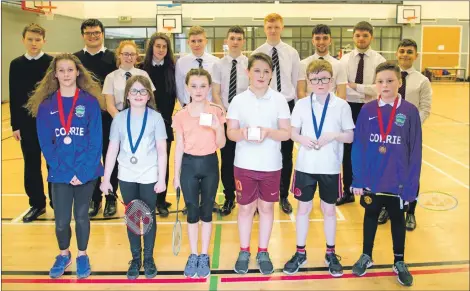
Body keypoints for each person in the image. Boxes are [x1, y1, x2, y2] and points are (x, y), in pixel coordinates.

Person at [25, 53, 105, 279]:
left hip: (85, 172)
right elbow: (46, 143)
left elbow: (95, 140)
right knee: (61, 221)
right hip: (60, 172)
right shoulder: (46, 105)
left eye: (70, 70)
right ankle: (64, 254)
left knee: (81, 216)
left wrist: (82, 171)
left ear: (78, 72)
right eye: (62, 70)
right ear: (55, 74)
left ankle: (82, 255)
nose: (66, 74)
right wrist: (65, 171)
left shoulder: (89, 102)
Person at [350, 61, 422, 287]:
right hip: (372, 179)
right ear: (375, 84)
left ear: (399, 83)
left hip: (398, 181)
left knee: (397, 220)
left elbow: (415, 150)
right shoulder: (367, 110)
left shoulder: (409, 112)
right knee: (370, 216)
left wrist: (411, 186)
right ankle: (366, 255)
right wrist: (358, 179)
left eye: (390, 80)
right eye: (380, 81)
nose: (385, 85)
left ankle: (399, 261)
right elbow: (359, 146)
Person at [283, 60, 354, 277]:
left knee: (329, 210)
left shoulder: (342, 105)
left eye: (324, 78)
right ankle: (300, 252)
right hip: (305, 166)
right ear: (309, 82)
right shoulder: (302, 104)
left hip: (330, 168)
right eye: (314, 79)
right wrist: (302, 139)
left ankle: (331, 252)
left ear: (331, 81)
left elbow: (350, 137)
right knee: (302, 210)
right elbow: (292, 133)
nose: (320, 83)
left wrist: (333, 136)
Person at [227, 53, 291, 275]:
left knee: (266, 207)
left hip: (271, 165)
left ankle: (263, 250)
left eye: (266, 71)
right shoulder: (238, 100)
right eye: (257, 70)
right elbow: (230, 133)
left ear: (272, 75)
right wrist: (243, 133)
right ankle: (244, 250)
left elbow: (286, 133)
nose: (261, 75)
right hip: (244, 164)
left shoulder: (279, 100)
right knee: (245, 208)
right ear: (248, 73)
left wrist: (269, 132)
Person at [100, 75, 167, 279]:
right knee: (132, 217)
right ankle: (135, 258)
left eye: (143, 91)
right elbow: (112, 150)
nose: (139, 95)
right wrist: (105, 179)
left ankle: (148, 258)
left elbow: (162, 151)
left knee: (148, 217)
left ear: (149, 95)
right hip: (126, 175)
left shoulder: (155, 118)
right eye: (134, 91)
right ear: (127, 95)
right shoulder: (119, 118)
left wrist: (162, 178)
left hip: (149, 175)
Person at [172, 68, 226, 278]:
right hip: (189, 166)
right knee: (192, 212)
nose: (198, 90)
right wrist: (176, 175)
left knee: (206, 212)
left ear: (209, 87)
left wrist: (216, 128)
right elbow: (178, 147)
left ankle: (204, 254)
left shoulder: (216, 111)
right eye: (194, 86)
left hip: (210, 165)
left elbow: (221, 143)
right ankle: (193, 254)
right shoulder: (181, 115)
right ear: (187, 88)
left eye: (203, 86)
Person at [377, 39, 432, 231]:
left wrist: (412, 126)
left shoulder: (422, 81)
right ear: (397, 53)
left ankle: (410, 212)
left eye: (410, 52)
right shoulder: (388, 77)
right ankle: (386, 208)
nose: (405, 55)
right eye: (402, 51)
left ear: (416, 55)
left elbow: (425, 108)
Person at [252, 13, 300, 214]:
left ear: (282, 28)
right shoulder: (257, 53)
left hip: (287, 106)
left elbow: (297, 82)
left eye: (276, 27)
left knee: (286, 154)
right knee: (261, 150)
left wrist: (297, 111)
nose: (273, 30)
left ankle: (283, 196)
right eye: (269, 27)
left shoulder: (291, 53)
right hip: (264, 105)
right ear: (265, 28)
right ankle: (257, 196)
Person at [337, 21, 386, 206]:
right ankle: (348, 190)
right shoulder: (344, 60)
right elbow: (342, 87)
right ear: (353, 37)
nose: (361, 39)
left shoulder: (379, 61)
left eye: (365, 35)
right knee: (348, 151)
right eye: (358, 35)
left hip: (372, 109)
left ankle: (371, 190)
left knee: (371, 150)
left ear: (371, 37)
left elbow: (379, 88)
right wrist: (367, 90)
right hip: (349, 107)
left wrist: (357, 87)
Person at [9, 23, 53, 222]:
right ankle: (37, 204)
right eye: (30, 39)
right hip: (27, 123)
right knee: (32, 164)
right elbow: (15, 95)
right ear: (23, 40)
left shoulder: (52, 63)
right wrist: (15, 125)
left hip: (51, 122)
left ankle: (57, 202)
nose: (34, 43)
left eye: (37, 39)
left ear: (44, 40)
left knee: (54, 163)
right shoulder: (16, 64)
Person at [74, 18, 118, 218]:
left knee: (111, 158)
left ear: (102, 34)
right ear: (83, 35)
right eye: (89, 33)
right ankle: (94, 199)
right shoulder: (74, 60)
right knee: (89, 159)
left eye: (96, 32)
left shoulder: (113, 58)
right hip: (83, 119)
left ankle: (110, 197)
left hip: (108, 117)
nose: (93, 36)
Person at [212, 25, 249, 216]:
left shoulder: (249, 64)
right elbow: (216, 92)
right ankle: (229, 197)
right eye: (232, 38)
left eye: (239, 38)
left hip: (245, 119)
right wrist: (225, 113)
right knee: (227, 160)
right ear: (227, 41)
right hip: (226, 117)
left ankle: (250, 197)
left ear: (243, 41)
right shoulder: (218, 65)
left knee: (246, 158)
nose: (235, 41)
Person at [140, 32, 177, 217]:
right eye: (157, 46)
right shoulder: (142, 69)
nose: (161, 49)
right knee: (147, 163)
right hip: (144, 124)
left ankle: (161, 200)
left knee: (163, 162)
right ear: (151, 48)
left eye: (164, 46)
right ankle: (148, 200)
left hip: (164, 124)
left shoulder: (173, 69)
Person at [297, 24, 347, 99]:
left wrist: (334, 108)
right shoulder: (303, 64)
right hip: (309, 107)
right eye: (317, 38)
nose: (321, 42)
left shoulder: (339, 65)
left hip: (331, 107)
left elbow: (342, 94)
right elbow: (301, 92)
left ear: (330, 41)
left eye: (325, 38)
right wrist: (308, 108)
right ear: (313, 41)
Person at [175, 26, 219, 106]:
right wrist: (185, 105)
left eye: (200, 41)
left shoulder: (216, 62)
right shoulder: (181, 62)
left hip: (209, 106)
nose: (196, 44)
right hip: (188, 105)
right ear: (188, 42)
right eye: (193, 41)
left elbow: (216, 88)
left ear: (206, 41)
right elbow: (179, 88)